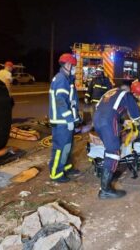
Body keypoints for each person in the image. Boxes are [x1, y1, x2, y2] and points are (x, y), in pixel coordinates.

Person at [93, 81, 140, 199]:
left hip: (97, 120)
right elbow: (136, 116)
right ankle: (105, 190)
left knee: (109, 149)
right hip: (108, 122)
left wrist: (120, 121)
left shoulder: (110, 93)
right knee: (114, 152)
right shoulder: (127, 95)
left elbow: (102, 108)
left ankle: (108, 171)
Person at [49, 53, 81, 183]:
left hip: (65, 121)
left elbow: (70, 101)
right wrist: (69, 119)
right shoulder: (62, 79)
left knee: (67, 147)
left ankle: (66, 167)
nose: (74, 68)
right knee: (60, 148)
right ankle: (56, 173)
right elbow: (60, 101)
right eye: (73, 66)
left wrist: (76, 119)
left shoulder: (66, 78)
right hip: (62, 122)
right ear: (67, 65)